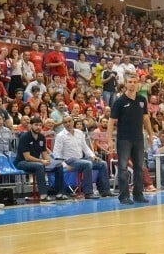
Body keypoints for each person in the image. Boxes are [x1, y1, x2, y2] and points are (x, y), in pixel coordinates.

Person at [109, 72, 154, 205]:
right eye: (130, 82)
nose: (132, 84)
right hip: (124, 139)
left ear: (138, 84)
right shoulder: (119, 101)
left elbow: (146, 118)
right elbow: (111, 121)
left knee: (139, 168)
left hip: (139, 138)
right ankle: (124, 196)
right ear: (125, 83)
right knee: (123, 168)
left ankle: (138, 194)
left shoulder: (142, 100)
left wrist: (150, 134)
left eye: (135, 82)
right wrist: (110, 139)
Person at [53, 116, 112, 198]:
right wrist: (65, 165)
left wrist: (93, 156)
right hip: (69, 161)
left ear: (73, 121)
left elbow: (85, 147)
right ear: (63, 124)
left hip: (81, 159)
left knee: (102, 163)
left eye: (69, 121)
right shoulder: (60, 136)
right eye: (65, 122)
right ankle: (88, 192)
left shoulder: (79, 133)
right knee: (87, 164)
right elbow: (56, 153)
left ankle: (105, 191)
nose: (68, 124)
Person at [14, 116, 68, 202]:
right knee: (39, 166)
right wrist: (41, 161)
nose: (38, 127)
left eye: (40, 125)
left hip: (36, 162)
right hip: (21, 162)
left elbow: (44, 153)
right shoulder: (24, 137)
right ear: (31, 125)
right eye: (36, 125)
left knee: (58, 166)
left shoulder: (42, 137)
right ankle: (43, 195)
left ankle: (60, 193)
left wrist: (49, 161)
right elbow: (27, 157)